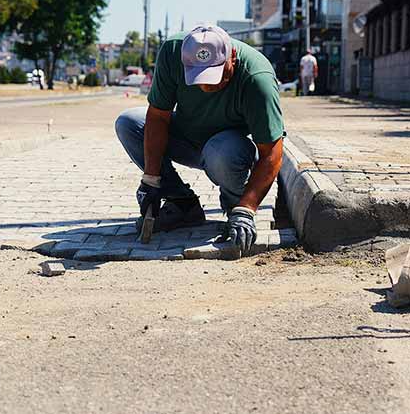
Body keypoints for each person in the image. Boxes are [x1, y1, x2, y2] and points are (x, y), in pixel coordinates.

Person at [115, 24, 284, 255]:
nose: (207, 86)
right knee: (129, 123)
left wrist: (247, 207)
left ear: (232, 57)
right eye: (199, 77)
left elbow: (272, 153)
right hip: (188, 138)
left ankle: (236, 208)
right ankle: (182, 204)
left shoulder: (257, 77)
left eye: (216, 75)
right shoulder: (173, 52)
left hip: (229, 151)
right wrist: (151, 179)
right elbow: (157, 117)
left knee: (222, 150)